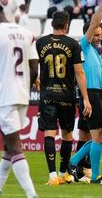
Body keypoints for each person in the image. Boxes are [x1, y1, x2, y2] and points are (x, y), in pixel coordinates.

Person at [0, 1, 38, 198]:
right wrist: (26, 89)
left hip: (4, 95)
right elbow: (35, 68)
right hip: (22, 94)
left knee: (14, 145)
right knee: (7, 144)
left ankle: (32, 195)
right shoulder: (27, 33)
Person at [36, 11, 92, 186]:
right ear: (66, 24)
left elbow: (35, 66)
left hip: (47, 95)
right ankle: (63, 174)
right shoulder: (73, 45)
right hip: (67, 96)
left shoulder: (40, 42)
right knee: (67, 135)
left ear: (52, 24)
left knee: (49, 133)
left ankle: (52, 176)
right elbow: (79, 72)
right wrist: (86, 98)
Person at [68, 0, 102, 184]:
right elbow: (95, 21)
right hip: (89, 95)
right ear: (88, 34)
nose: (100, 36)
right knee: (98, 136)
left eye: (101, 34)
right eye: (96, 34)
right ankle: (94, 176)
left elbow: (94, 76)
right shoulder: (83, 45)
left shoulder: (93, 51)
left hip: (96, 93)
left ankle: (74, 160)